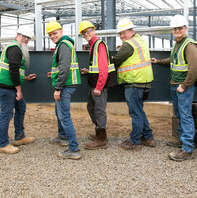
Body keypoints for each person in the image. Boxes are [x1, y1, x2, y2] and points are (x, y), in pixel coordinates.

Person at [151, 15, 197, 161]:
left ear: (185, 28)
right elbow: (173, 61)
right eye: (175, 28)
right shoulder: (178, 44)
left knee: (185, 115)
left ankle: (187, 149)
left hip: (183, 87)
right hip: (176, 85)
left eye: (180, 28)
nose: (177, 30)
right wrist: (158, 61)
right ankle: (182, 140)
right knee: (179, 114)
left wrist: (184, 85)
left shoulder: (189, 45)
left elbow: (194, 69)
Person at [113, 18, 156, 150]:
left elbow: (117, 60)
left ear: (131, 31)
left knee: (135, 113)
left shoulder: (128, 44)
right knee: (139, 111)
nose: (121, 36)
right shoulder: (139, 40)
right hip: (144, 81)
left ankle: (135, 141)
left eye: (124, 33)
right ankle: (148, 137)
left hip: (134, 82)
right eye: (120, 34)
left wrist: (110, 58)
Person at [0, 26, 37, 154]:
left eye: (27, 38)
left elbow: (15, 71)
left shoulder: (16, 48)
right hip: (6, 87)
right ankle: (2, 144)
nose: (25, 39)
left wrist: (25, 78)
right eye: (23, 36)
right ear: (17, 35)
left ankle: (19, 137)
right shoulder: (14, 49)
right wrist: (19, 90)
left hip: (9, 85)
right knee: (6, 115)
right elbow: (12, 70)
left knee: (21, 108)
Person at [46, 21, 82, 160]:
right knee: (60, 113)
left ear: (61, 31)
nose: (52, 36)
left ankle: (73, 149)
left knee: (64, 117)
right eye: (50, 35)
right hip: (66, 84)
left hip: (65, 86)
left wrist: (58, 88)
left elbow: (65, 68)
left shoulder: (64, 45)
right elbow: (62, 67)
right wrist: (54, 74)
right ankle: (63, 137)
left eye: (54, 33)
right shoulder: (63, 44)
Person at [79, 21, 116, 150]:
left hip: (99, 85)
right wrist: (88, 71)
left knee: (99, 110)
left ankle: (101, 138)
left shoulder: (99, 45)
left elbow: (104, 69)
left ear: (93, 31)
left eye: (89, 31)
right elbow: (98, 67)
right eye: (84, 33)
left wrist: (99, 87)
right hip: (94, 83)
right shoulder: (93, 45)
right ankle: (98, 131)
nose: (86, 34)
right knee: (91, 107)